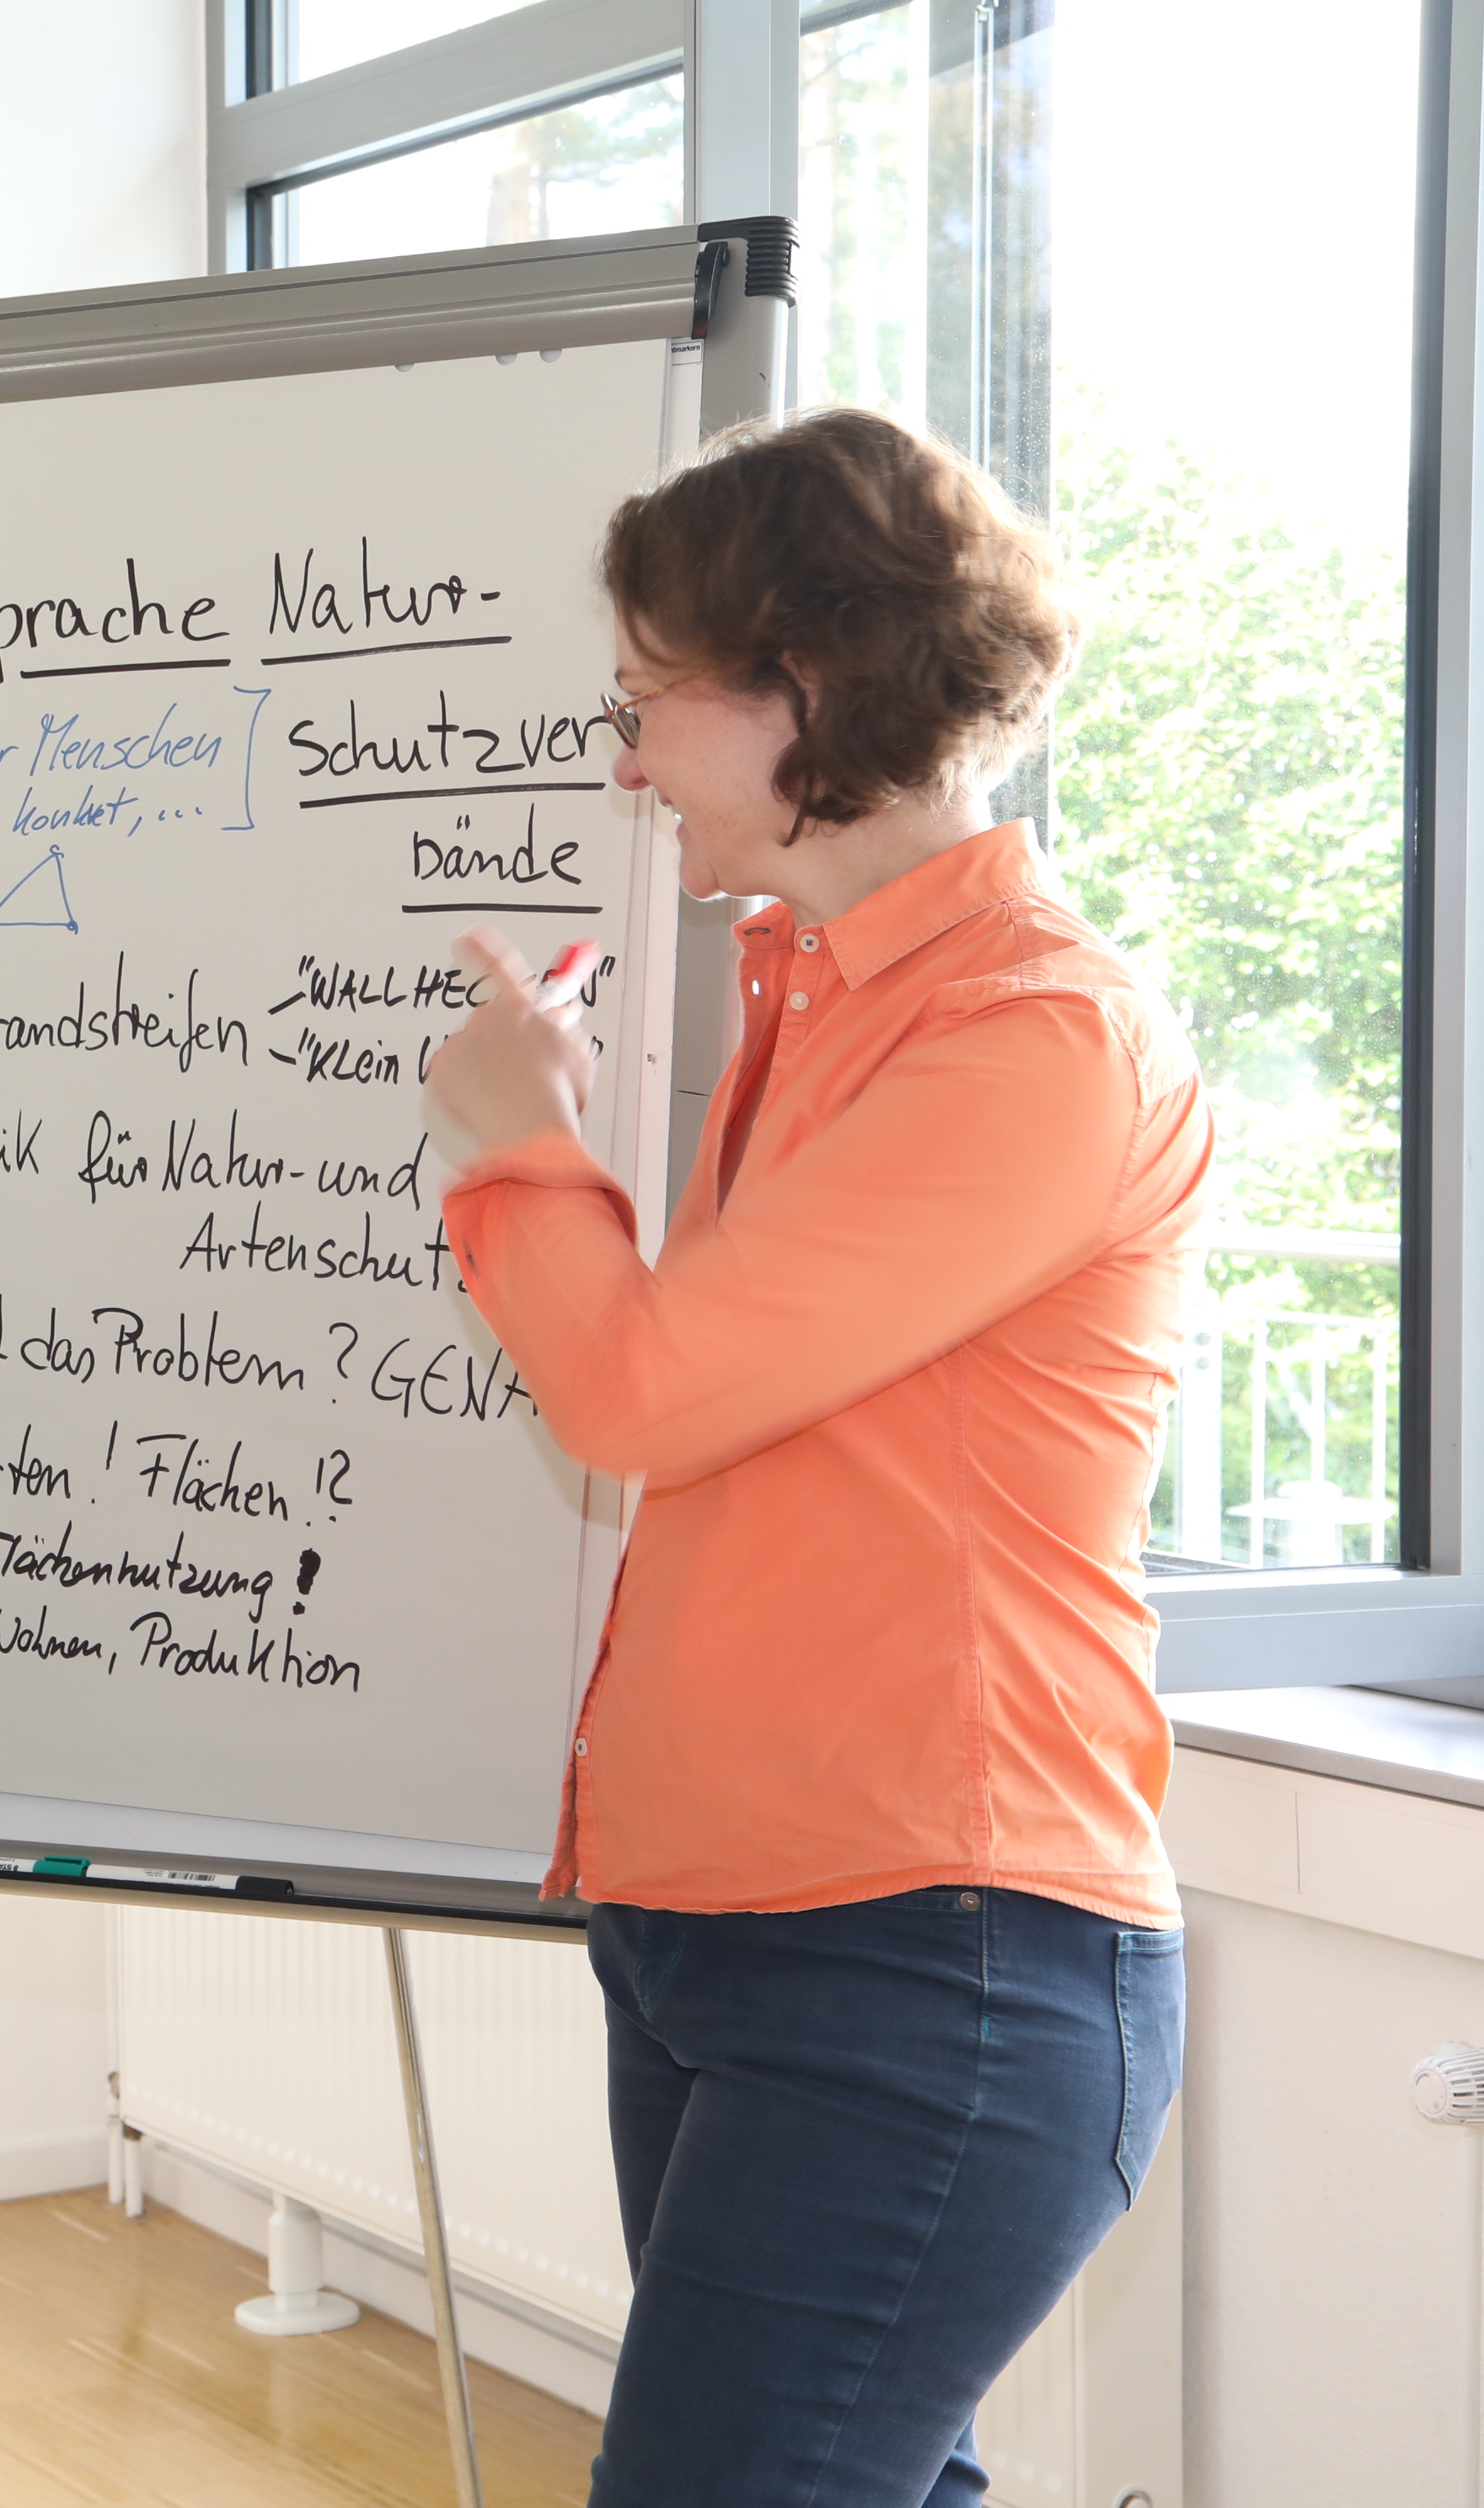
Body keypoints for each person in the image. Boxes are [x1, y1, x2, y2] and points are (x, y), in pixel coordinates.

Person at [426, 406, 1209, 2506]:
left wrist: (516, 1149)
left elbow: (641, 1394)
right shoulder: (812, 994)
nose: (622, 761)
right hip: (728, 1928)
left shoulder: (1033, 1035)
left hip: (936, 1954)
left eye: (644, 700)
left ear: (799, 684)